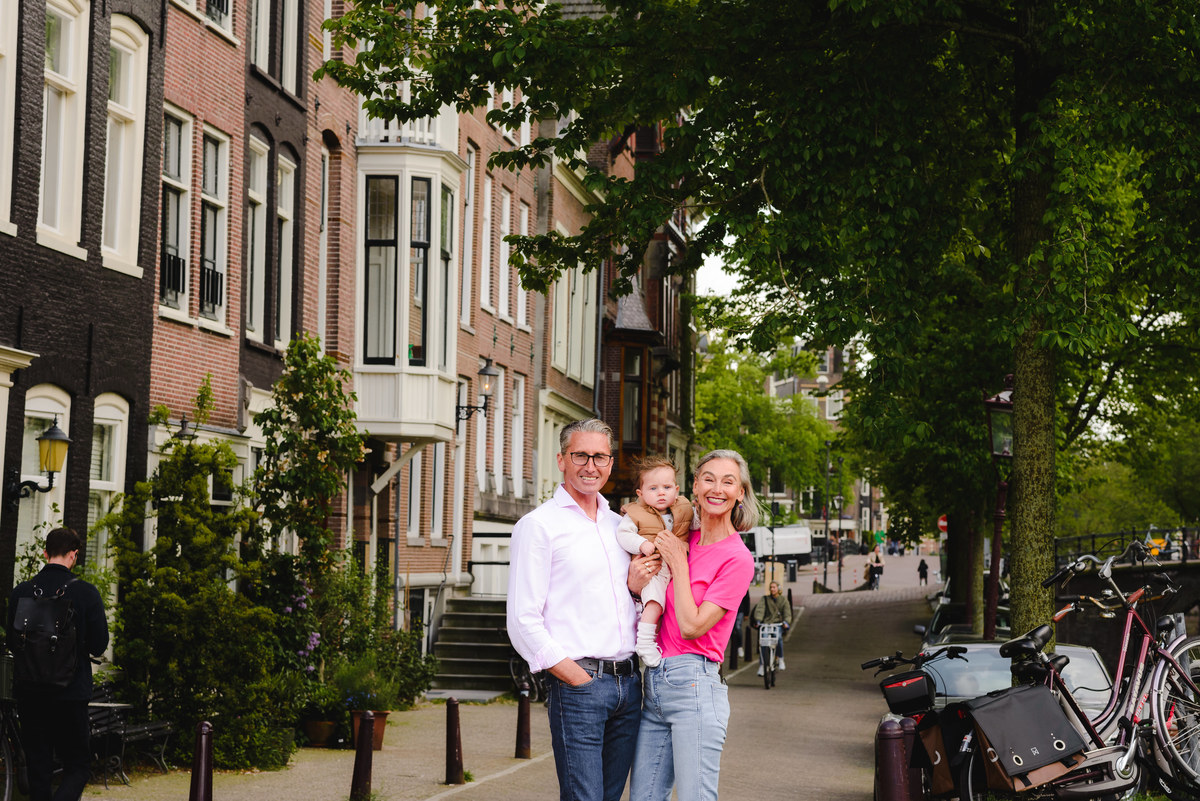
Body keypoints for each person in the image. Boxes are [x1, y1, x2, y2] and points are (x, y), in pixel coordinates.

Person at [507, 418, 659, 801]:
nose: (590, 466)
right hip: (581, 686)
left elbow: (627, 601)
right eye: (580, 455)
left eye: (600, 457)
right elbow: (523, 619)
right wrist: (573, 676)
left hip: (629, 684)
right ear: (561, 459)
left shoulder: (619, 527)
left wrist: (637, 591)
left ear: (610, 463)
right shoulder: (539, 526)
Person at [630, 449, 756, 801]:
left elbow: (692, 625)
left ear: (740, 493)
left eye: (728, 481)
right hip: (653, 684)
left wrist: (679, 564)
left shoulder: (737, 558)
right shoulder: (683, 538)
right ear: (696, 487)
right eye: (709, 478)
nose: (717, 488)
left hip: (694, 687)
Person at [7, 527, 109, 801]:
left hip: (30, 694)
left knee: (39, 769)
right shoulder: (87, 594)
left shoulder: (21, 593)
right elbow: (99, 645)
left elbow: (12, 642)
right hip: (70, 694)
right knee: (78, 766)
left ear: (44, 553)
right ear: (74, 555)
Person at [614, 455, 694, 668]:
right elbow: (623, 534)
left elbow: (697, 525)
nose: (661, 493)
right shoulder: (635, 513)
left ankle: (662, 642)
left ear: (676, 490)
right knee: (655, 604)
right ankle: (645, 643)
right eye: (653, 488)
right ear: (640, 494)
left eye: (667, 487)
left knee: (674, 606)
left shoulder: (684, 508)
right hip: (654, 567)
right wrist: (641, 544)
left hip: (677, 568)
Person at [750, 580, 793, 674]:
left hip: (778, 624)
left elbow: (787, 613)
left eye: (774, 587)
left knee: (778, 637)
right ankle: (762, 665)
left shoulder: (783, 600)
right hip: (766, 624)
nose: (772, 589)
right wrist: (758, 620)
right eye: (771, 587)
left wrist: (786, 622)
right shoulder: (764, 599)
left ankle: (780, 658)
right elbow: (760, 609)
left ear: (778, 589)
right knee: (763, 641)